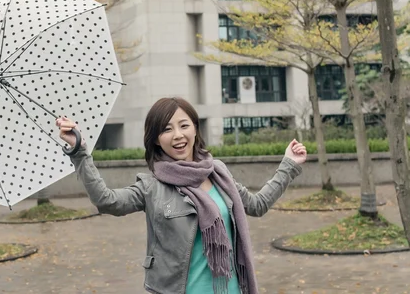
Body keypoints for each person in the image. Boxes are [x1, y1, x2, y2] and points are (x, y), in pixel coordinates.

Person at [56, 97, 307, 294]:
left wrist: (289, 165)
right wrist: (79, 152)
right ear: (155, 140)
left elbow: (257, 205)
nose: (177, 135)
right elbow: (107, 201)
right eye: (166, 129)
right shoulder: (151, 187)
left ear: (195, 129)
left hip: (231, 289)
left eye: (184, 125)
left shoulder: (218, 173)